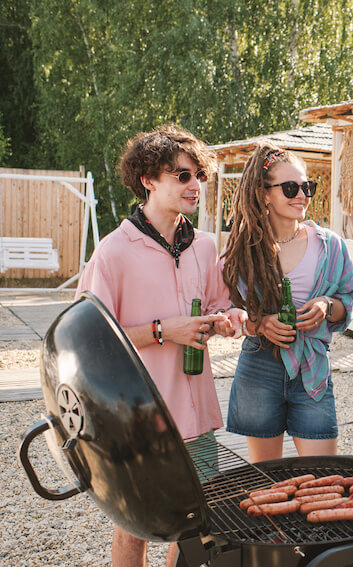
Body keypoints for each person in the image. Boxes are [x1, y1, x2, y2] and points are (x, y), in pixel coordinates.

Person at [76, 124, 246, 567]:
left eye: (198, 176)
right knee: (135, 527)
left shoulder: (205, 247)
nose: (195, 185)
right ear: (148, 179)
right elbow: (88, 338)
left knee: (196, 525)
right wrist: (161, 331)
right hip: (138, 418)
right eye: (181, 176)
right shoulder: (113, 252)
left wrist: (227, 321)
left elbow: (219, 305)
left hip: (198, 414)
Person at [221, 144, 353, 462]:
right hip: (260, 367)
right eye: (290, 188)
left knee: (322, 479)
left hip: (312, 370)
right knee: (268, 482)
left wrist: (327, 305)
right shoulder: (242, 253)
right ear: (264, 194)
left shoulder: (329, 246)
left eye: (306, 187)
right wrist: (260, 324)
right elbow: (226, 314)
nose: (302, 194)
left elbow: (351, 298)